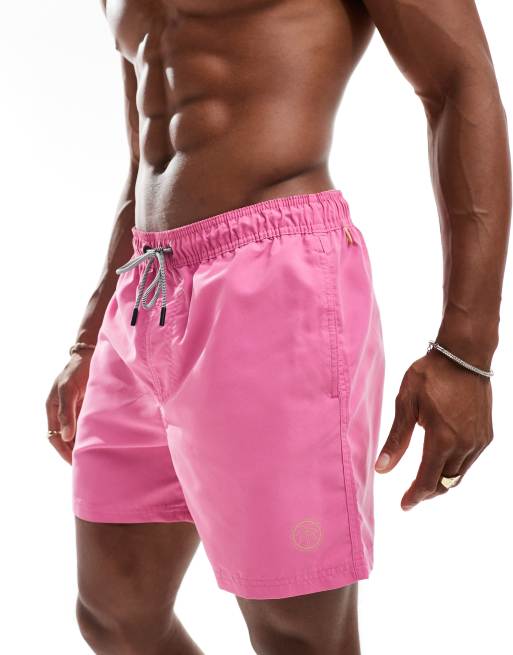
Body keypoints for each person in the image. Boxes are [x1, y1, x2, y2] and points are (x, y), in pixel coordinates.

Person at [46, 1, 511, 653]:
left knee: (299, 636)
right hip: (147, 287)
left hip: (272, 276)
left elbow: (458, 80)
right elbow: (149, 152)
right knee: (115, 615)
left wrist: (466, 350)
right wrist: (91, 333)